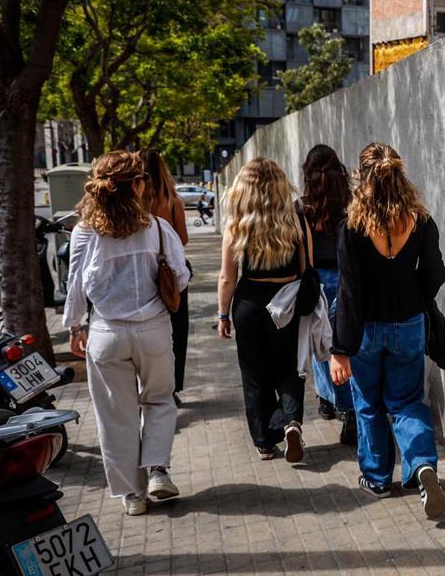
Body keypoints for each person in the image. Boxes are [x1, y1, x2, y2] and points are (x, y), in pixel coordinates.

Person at [63, 151, 188, 516]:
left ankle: (132, 495)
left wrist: (74, 327)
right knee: (159, 400)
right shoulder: (158, 229)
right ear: (136, 185)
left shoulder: (85, 233)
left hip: (105, 332)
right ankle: (158, 472)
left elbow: (75, 286)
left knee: (116, 416)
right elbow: (180, 276)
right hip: (152, 329)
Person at [330, 143, 445, 519]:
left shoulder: (352, 226)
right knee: (408, 402)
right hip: (408, 324)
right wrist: (413, 296)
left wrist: (340, 348)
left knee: (368, 404)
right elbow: (435, 274)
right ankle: (422, 465)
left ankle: (378, 478)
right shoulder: (420, 220)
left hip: (365, 330)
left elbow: (349, 291)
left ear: (361, 178)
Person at [217, 157, 307, 462]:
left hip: (249, 304)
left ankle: (265, 442)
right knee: (289, 368)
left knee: (255, 375)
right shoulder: (296, 219)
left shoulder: (236, 223)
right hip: (287, 302)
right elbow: (306, 267)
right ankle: (291, 421)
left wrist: (222, 314)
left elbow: (227, 277)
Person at [299, 144, 356, 445]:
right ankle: (347, 408)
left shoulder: (303, 207)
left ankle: (332, 400)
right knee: (347, 347)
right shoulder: (350, 202)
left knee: (322, 347)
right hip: (349, 279)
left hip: (317, 280)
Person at [139, 149, 190, 406]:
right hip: (171, 274)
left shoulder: (135, 204)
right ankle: (172, 388)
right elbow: (183, 240)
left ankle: (147, 385)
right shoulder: (173, 202)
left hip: (142, 273)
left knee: (150, 330)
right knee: (177, 333)